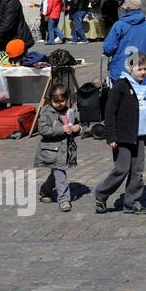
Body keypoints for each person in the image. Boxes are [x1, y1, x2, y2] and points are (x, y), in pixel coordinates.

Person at [93, 48, 146, 215]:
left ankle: (132, 201)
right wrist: (110, 135)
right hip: (122, 136)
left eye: (145, 69)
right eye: (139, 69)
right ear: (129, 69)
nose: (142, 72)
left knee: (137, 171)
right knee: (121, 169)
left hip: (140, 135)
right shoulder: (120, 86)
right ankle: (101, 194)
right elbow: (110, 112)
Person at [36, 84, 80, 213]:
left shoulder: (70, 112)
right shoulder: (46, 112)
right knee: (60, 174)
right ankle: (64, 199)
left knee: (56, 173)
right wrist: (61, 129)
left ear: (67, 99)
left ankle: (45, 190)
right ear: (50, 100)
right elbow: (43, 130)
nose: (59, 104)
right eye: (56, 101)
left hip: (65, 149)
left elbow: (76, 124)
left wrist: (78, 129)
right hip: (52, 150)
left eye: (62, 101)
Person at [103, 0, 146, 85]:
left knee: (120, 98)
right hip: (141, 72)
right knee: (142, 98)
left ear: (128, 9)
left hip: (121, 72)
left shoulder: (119, 25)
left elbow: (108, 49)